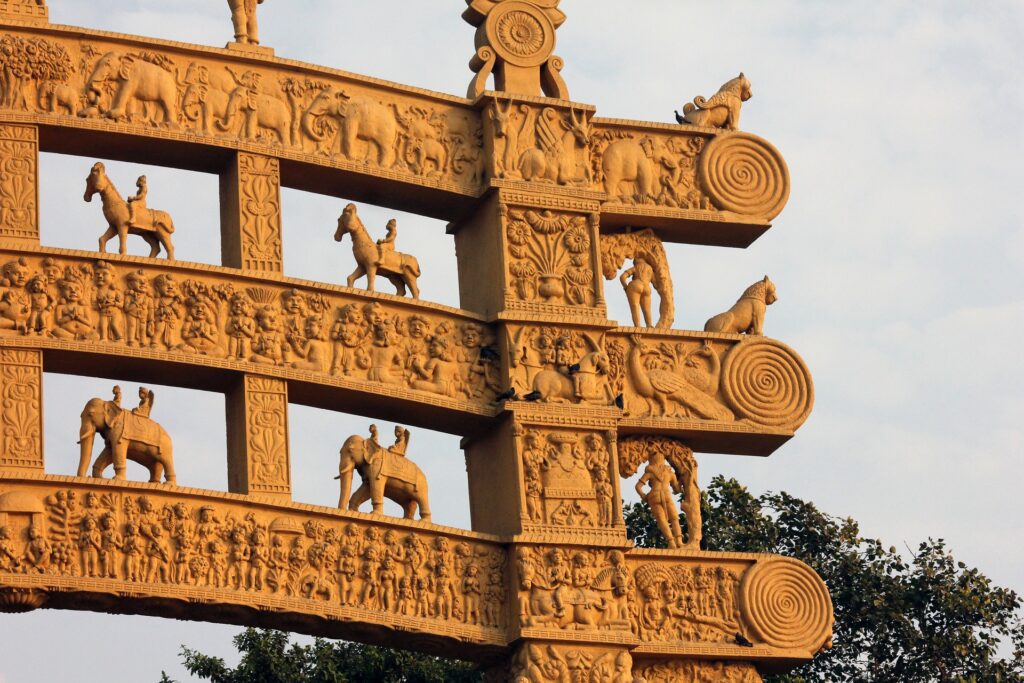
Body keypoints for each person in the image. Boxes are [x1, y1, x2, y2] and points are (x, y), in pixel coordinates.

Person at [635, 449, 684, 548]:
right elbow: (677, 490)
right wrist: (682, 480)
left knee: (662, 520)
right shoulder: (669, 472)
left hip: (654, 496)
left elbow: (638, 486)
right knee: (674, 518)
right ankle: (679, 541)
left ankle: (671, 542)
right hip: (666, 495)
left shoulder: (650, 472)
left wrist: (644, 497)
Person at [619, 256, 655, 327]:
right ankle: (649, 325)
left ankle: (638, 326)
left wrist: (626, 287)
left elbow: (622, 277)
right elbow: (655, 282)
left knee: (635, 306)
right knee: (647, 309)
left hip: (635, 285)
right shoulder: (650, 269)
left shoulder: (635, 267)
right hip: (647, 287)